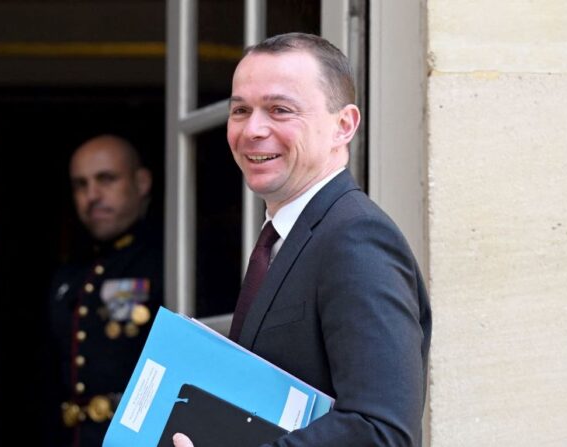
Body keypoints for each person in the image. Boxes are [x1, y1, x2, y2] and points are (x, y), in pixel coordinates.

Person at [173, 33, 431, 447]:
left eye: (280, 110)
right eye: (240, 110)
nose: (253, 129)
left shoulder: (356, 238)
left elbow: (383, 432)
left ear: (342, 126)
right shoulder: (284, 237)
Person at [46, 135, 163, 447]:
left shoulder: (167, 260)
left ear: (141, 182)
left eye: (106, 179)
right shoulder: (71, 273)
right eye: (80, 185)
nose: (92, 195)